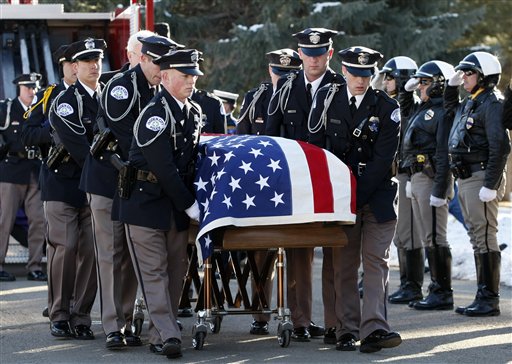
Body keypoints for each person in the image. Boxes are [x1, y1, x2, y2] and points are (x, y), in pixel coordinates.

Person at [308, 46, 402, 353]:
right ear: (343, 70)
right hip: (342, 198)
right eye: (355, 73)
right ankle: (346, 329)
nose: (361, 80)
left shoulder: (387, 108)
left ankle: (375, 328)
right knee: (344, 265)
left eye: (367, 74)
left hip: (377, 197)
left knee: (376, 261)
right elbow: (320, 151)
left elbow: (381, 160)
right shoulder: (328, 102)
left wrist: (355, 195)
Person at [96, 34, 180, 350]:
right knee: (113, 253)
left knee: (132, 258)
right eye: (158, 62)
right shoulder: (123, 87)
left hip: (137, 182)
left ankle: (128, 320)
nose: (162, 68)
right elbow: (129, 136)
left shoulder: (159, 88)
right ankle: (112, 326)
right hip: (109, 179)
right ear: (142, 59)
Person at [119, 49, 203, 359]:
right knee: (154, 272)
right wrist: (189, 204)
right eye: (185, 75)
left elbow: (191, 162)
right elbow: (163, 166)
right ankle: (169, 334)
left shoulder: (192, 112)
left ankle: (160, 333)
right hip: (145, 203)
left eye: (193, 76)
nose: (191, 81)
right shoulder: (156, 114)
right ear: (165, 77)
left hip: (173, 206)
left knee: (176, 270)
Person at [267, 27, 342, 343]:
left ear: (330, 53)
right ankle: (301, 321)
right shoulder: (285, 88)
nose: (313, 59)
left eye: (320, 53)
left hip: (334, 181)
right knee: (299, 253)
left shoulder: (341, 86)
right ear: (299, 54)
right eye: (308, 54)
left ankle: (337, 323)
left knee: (337, 254)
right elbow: (271, 136)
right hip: (296, 184)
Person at [236, 48, 302, 336]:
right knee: (260, 253)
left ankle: (300, 319)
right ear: (270, 72)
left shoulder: (306, 98)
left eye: (289, 75)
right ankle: (260, 314)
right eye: (278, 73)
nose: (282, 79)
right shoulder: (256, 98)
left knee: (298, 254)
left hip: (295, 184)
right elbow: (241, 138)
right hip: (261, 187)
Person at [46, 38, 106, 340]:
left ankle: (81, 315)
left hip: (93, 186)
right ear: (74, 67)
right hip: (63, 183)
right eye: (87, 61)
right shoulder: (67, 100)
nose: (94, 66)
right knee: (66, 247)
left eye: (98, 60)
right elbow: (81, 149)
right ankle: (59, 314)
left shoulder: (108, 97)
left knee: (91, 252)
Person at [445, 51, 510, 317]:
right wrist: (450, 89)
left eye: (468, 73)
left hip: (481, 176)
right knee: (476, 237)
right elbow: (449, 113)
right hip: (466, 176)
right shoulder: (472, 101)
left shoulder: (491, 102)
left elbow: (501, 146)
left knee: (484, 237)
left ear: (484, 75)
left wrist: (491, 183)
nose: (463, 77)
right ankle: (482, 296)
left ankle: (489, 299)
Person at [21, 44, 78, 317]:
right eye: (73, 63)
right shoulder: (47, 96)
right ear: (64, 66)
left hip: (88, 178)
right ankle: (59, 304)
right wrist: (52, 131)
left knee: (86, 251)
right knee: (62, 246)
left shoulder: (97, 95)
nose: (78, 67)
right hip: (58, 178)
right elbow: (27, 134)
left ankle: (78, 305)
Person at [400, 60, 456, 310]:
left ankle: (442, 292)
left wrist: (440, 188)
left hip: (432, 177)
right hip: (418, 176)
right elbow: (405, 110)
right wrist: (407, 88)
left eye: (425, 82)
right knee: (427, 236)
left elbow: (444, 153)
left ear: (438, 85)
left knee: (435, 236)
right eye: (419, 82)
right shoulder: (422, 109)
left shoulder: (442, 111)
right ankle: (435, 288)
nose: (420, 86)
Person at [370, 56, 424, 305]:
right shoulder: (389, 104)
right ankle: (406, 284)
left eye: (391, 77)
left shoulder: (411, 106)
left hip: (408, 173)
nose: (386, 81)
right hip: (395, 174)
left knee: (408, 232)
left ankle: (411, 286)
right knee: (401, 233)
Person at [0, 73, 46, 282]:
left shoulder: (39, 110)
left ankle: (35, 266)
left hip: (35, 171)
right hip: (11, 171)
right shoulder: (7, 109)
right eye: (27, 87)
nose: (32, 91)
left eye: (34, 88)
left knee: (38, 220)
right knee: (4, 220)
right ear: (19, 88)